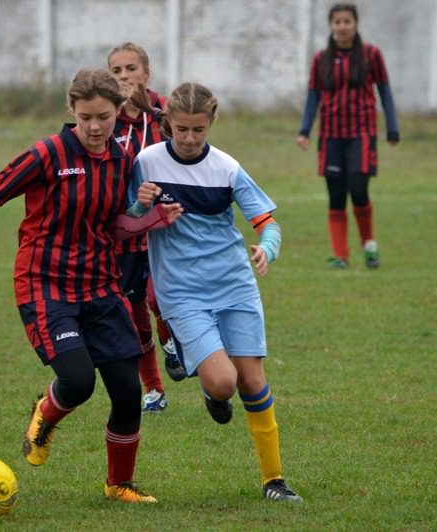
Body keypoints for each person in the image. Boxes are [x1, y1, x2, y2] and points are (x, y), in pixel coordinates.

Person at [0, 68, 181, 503]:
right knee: (78, 382)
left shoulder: (121, 161)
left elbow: (114, 225)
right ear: (71, 112)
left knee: (129, 392)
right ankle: (45, 415)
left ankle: (119, 485)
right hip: (45, 285)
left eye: (104, 117)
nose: (95, 127)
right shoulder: (48, 153)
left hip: (100, 284)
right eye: (85, 117)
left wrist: (152, 218)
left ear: (119, 112)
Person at [129, 81, 302, 502]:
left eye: (199, 130)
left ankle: (274, 482)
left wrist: (268, 250)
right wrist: (141, 203)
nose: (189, 139)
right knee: (225, 383)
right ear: (167, 121)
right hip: (182, 293)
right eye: (181, 129)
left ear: (211, 124)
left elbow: (267, 221)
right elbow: (126, 218)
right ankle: (211, 389)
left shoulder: (226, 167)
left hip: (234, 284)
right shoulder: (146, 162)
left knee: (253, 380)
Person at [107, 42, 187, 415]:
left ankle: (172, 340)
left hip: (165, 229)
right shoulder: (106, 118)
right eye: (117, 71)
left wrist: (151, 111)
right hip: (125, 233)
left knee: (160, 300)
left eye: (130, 69)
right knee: (134, 315)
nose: (124, 76)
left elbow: (188, 136)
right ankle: (154, 390)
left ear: (146, 72)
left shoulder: (163, 112)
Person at [296, 2, 400, 269]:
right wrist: (305, 130)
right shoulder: (321, 59)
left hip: (361, 135)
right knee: (336, 196)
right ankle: (340, 256)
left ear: (355, 24)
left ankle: (369, 245)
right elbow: (313, 97)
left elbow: (385, 91)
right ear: (331, 26)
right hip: (331, 136)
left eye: (347, 21)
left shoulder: (371, 54)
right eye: (337, 22)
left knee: (358, 190)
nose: (342, 26)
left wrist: (392, 127)